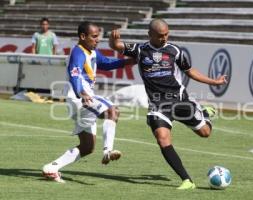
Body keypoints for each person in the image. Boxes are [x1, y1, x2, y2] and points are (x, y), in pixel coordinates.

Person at [109, 18, 227, 190]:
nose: (164, 38)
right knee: (162, 139)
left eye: (166, 34)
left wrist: (213, 82)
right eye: (160, 35)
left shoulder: (174, 51)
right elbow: (117, 46)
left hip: (179, 101)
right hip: (157, 104)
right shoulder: (140, 50)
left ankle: (205, 113)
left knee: (205, 133)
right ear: (150, 34)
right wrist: (113, 40)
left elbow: (190, 71)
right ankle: (187, 180)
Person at [42, 21, 134, 183]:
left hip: (79, 101)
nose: (97, 40)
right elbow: (74, 73)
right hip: (80, 98)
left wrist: (131, 61)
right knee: (113, 110)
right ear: (83, 36)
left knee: (87, 147)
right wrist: (81, 92)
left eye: (98, 36)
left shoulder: (91, 51)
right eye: (94, 36)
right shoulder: (78, 52)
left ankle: (52, 168)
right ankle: (108, 150)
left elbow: (107, 63)